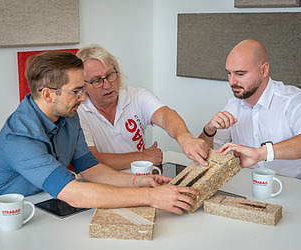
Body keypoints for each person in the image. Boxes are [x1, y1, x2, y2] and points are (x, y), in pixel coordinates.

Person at [0, 51, 198, 214]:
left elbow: (91, 169)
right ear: (47, 95)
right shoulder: (18, 137)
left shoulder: (68, 117)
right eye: (76, 91)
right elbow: (73, 193)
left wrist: (137, 183)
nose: (83, 98)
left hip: (43, 206)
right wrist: (151, 197)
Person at [199, 39, 301, 185]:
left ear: (264, 70)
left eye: (240, 74)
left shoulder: (292, 100)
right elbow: (205, 156)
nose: (232, 82)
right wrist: (209, 130)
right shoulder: (233, 105)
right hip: (258, 191)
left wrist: (261, 153)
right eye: (229, 73)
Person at [77, 44, 209, 171]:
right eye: (97, 80)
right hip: (102, 184)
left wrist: (185, 137)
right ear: (83, 86)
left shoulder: (136, 96)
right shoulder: (78, 111)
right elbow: (90, 160)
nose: (107, 85)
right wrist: (142, 157)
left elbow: (165, 115)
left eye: (110, 75)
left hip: (140, 178)